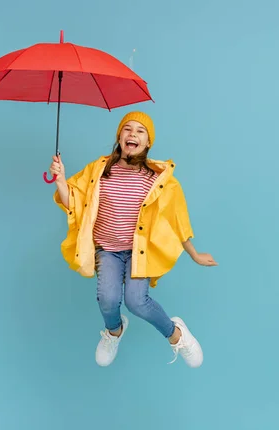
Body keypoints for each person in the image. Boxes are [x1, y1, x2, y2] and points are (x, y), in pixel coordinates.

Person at [50, 111, 217, 368]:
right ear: (119, 136)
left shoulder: (156, 179)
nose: (133, 134)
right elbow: (73, 202)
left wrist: (194, 253)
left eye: (140, 131)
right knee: (107, 300)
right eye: (127, 129)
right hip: (108, 251)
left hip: (140, 253)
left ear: (148, 142)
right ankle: (114, 332)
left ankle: (177, 335)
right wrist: (61, 180)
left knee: (137, 302)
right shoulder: (100, 170)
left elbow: (177, 219)